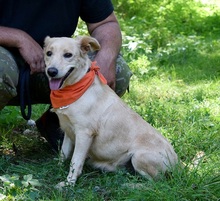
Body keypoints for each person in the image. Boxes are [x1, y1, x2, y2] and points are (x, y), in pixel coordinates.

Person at [0, 1, 132, 151]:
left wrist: (106, 59)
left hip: (56, 64)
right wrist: (18, 38)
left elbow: (105, 23)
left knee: (119, 73)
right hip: (5, 57)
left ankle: (58, 125)